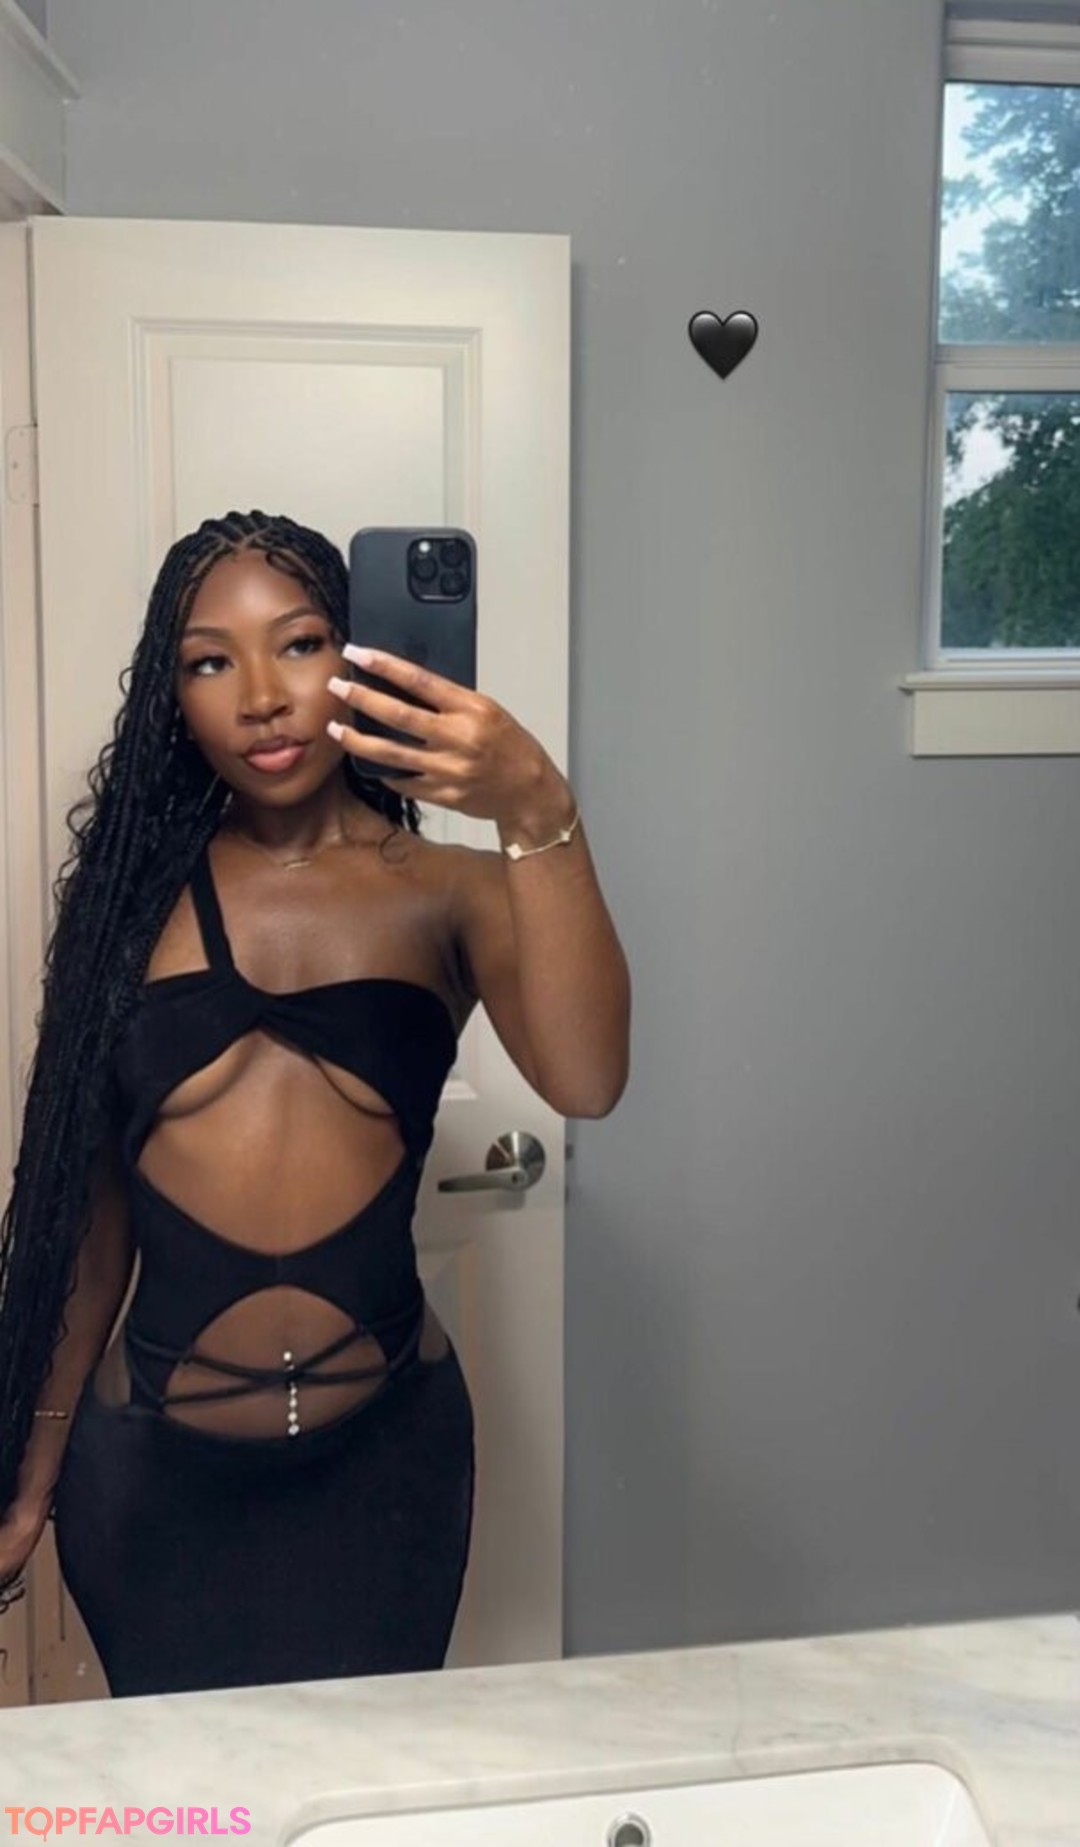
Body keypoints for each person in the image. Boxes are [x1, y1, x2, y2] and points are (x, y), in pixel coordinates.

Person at [0, 510, 630, 1697]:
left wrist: (533, 800)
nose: (260, 697)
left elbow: (588, 1077)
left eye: (298, 644)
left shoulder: (452, 891)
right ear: (171, 696)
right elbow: (91, 1222)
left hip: (386, 1470)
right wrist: (28, 1467)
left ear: (358, 657)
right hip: (152, 1483)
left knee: (370, 1783)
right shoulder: (131, 908)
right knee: (185, 1788)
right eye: (209, 660)